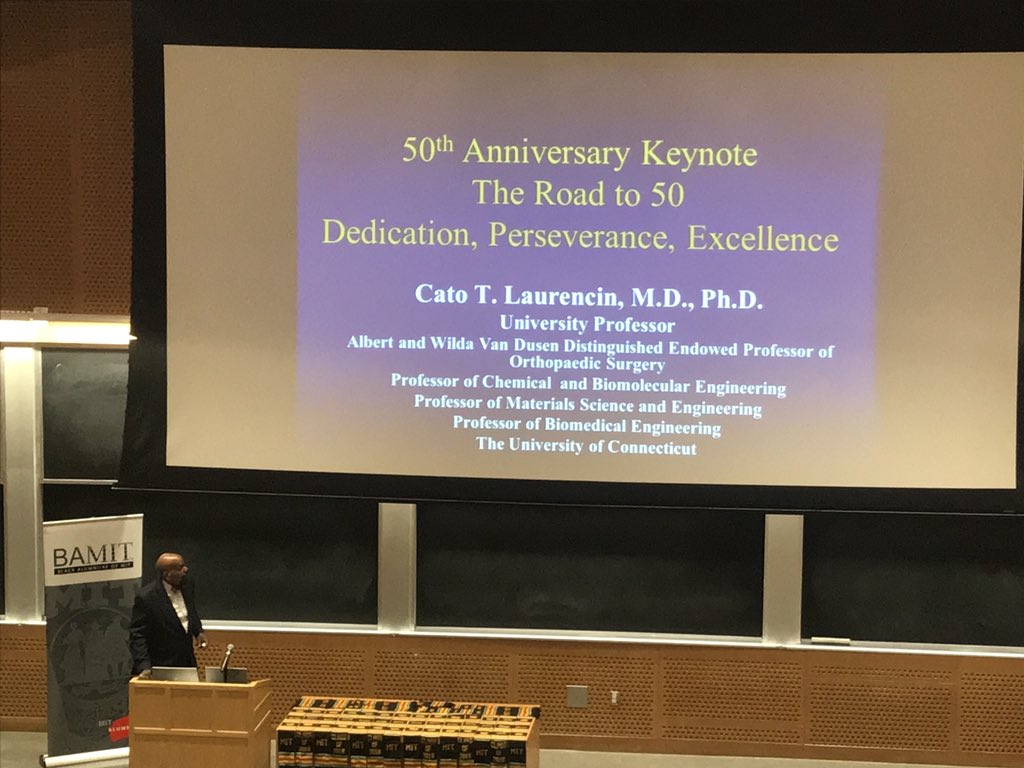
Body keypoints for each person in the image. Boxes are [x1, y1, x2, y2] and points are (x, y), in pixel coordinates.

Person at [129, 552, 207, 677]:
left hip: (187, 662)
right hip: (161, 664)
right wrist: (144, 666)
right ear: (167, 574)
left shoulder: (187, 585)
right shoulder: (147, 597)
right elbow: (138, 635)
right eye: (180, 567)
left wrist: (198, 631)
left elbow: (190, 610)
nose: (185, 569)